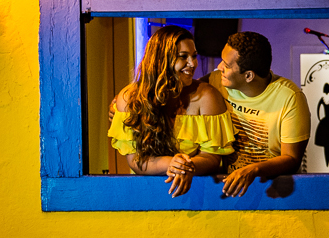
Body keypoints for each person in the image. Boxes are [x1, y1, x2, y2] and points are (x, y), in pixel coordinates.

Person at [109, 25, 235, 197]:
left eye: (194, 56)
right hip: (146, 193)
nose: (193, 63)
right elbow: (135, 160)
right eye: (183, 56)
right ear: (161, 59)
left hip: (197, 193)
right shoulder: (129, 98)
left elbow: (212, 157)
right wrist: (171, 163)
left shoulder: (207, 96)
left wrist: (186, 167)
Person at [203, 31, 310, 197]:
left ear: (248, 76)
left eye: (227, 65)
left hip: (270, 192)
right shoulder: (215, 81)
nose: (219, 67)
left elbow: (291, 159)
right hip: (222, 189)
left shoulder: (289, 97)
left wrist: (253, 170)